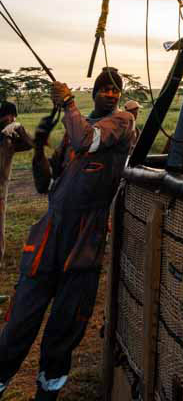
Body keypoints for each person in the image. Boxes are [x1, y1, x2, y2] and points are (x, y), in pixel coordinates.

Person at [0, 67, 133, 400]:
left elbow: (86, 140)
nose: (111, 94)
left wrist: (68, 105)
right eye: (105, 88)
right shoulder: (79, 124)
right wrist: (39, 147)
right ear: (94, 91)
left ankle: (47, 394)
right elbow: (47, 182)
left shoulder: (121, 124)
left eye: (116, 90)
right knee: (18, 324)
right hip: (49, 234)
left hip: (84, 242)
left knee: (62, 332)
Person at [0, 103, 33, 268]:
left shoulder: (10, 137)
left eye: (14, 117)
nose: (11, 120)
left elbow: (30, 143)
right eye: (9, 116)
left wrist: (18, 128)